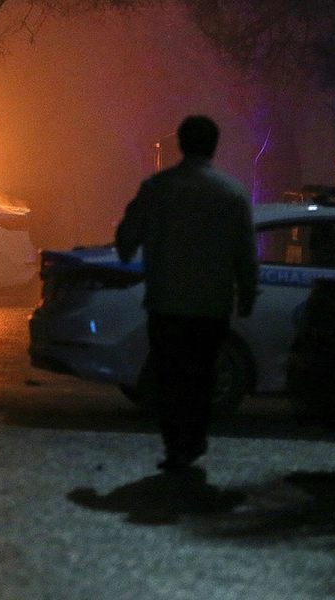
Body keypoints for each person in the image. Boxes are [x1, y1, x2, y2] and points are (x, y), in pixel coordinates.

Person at [115, 115, 258, 472]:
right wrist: (248, 292)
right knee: (201, 374)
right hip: (211, 306)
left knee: (169, 373)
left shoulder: (158, 188)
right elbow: (245, 250)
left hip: (167, 303)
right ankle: (193, 439)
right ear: (214, 145)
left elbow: (127, 237)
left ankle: (175, 442)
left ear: (180, 143)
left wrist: (130, 248)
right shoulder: (232, 193)